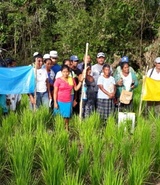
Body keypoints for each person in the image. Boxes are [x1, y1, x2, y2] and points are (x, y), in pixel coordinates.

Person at [54, 65, 84, 131]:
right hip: (59, 101)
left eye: (67, 72)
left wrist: (81, 82)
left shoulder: (71, 79)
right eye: (64, 72)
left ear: (69, 72)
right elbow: (55, 92)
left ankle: (66, 129)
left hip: (68, 101)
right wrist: (55, 102)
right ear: (61, 72)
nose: (65, 73)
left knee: (66, 117)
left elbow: (76, 89)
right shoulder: (58, 80)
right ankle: (58, 129)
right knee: (58, 116)